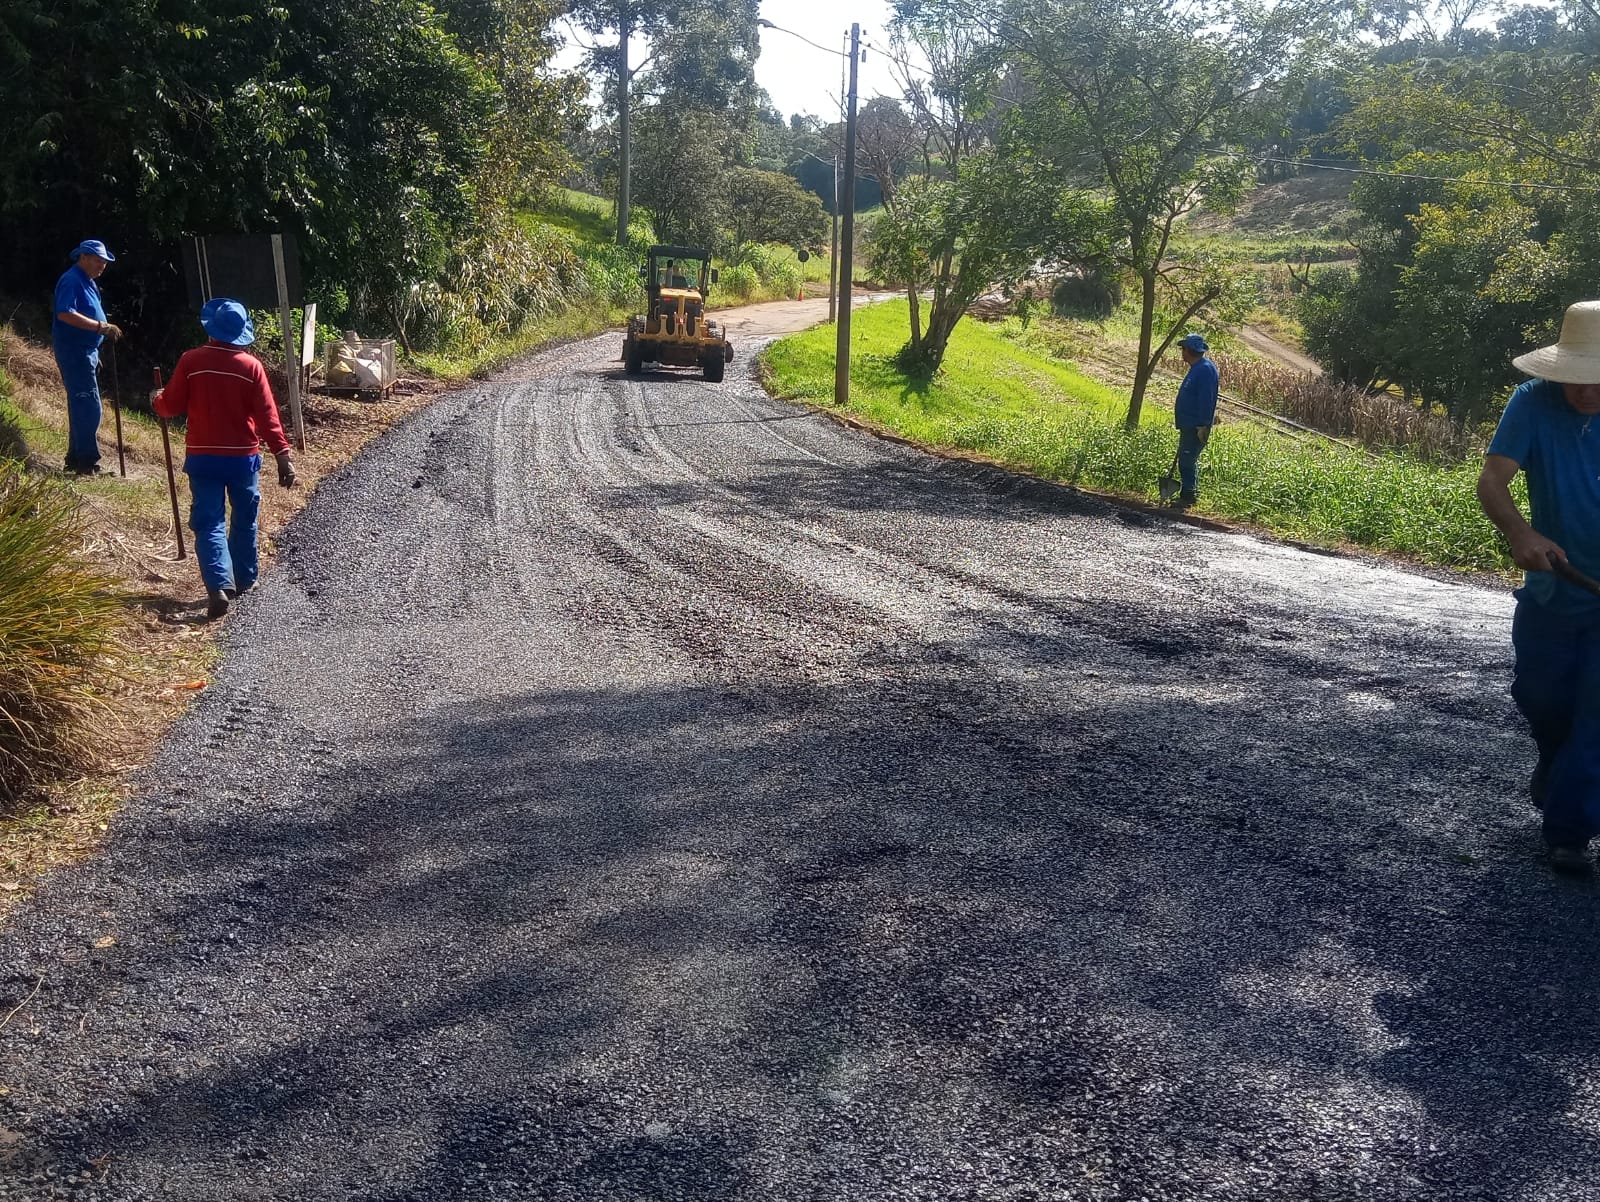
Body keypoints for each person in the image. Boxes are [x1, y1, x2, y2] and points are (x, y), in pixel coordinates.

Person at [1477, 300, 1600, 873]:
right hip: (1554, 590)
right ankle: (1556, 759)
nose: (1587, 391)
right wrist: (1520, 530)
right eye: (1577, 378)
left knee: (1595, 718)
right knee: (1539, 696)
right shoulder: (1531, 403)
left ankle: (1569, 834)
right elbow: (1494, 480)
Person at [154, 299, 297, 620]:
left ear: (211, 330)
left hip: (203, 458)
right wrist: (282, 455)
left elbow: (171, 405)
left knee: (209, 522)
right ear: (241, 333)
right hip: (242, 459)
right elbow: (267, 417)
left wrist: (157, 400)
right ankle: (245, 578)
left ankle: (219, 585)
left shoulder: (192, 361)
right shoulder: (251, 367)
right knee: (245, 517)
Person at [52, 239, 122, 475]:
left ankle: (76, 458)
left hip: (85, 351)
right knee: (89, 407)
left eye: (104, 262)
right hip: (75, 351)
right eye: (98, 260)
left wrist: (95, 346)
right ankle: (86, 462)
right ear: (83, 257)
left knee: (83, 405)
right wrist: (100, 327)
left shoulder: (88, 282)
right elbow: (64, 313)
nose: (102, 265)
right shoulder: (72, 280)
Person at [1172, 332, 1219, 508]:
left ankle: (1188, 496)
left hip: (1195, 426)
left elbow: (1205, 399)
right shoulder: (1198, 367)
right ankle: (1188, 493)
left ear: (1189, 350)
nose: (1181, 352)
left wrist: (1202, 424)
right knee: (1187, 459)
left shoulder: (1204, 370)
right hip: (1189, 424)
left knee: (1187, 460)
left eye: (1183, 348)